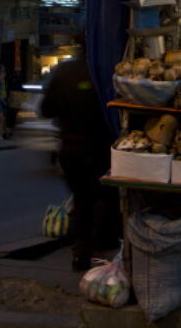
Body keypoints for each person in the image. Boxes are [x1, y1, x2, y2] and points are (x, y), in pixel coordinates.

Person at [41, 40, 117, 271]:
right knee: (103, 197)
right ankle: (101, 250)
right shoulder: (106, 71)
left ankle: (82, 254)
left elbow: (46, 109)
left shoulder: (65, 71)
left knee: (83, 200)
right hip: (99, 148)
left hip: (71, 148)